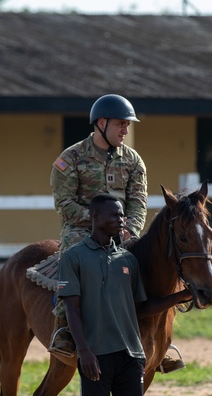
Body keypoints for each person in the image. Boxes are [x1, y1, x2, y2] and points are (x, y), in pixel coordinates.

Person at [39, 194, 193, 396]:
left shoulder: (129, 260)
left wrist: (180, 295)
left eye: (123, 215)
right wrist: (82, 350)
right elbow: (72, 309)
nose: (121, 220)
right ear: (94, 217)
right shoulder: (75, 257)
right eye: (114, 215)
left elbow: (142, 308)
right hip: (96, 354)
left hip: (132, 357)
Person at [48, 93, 185, 373]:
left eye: (128, 125)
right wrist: (99, 224)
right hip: (81, 230)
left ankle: (160, 341)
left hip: (123, 230)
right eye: (120, 124)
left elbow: (138, 203)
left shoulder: (134, 161)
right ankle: (64, 330)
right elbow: (65, 204)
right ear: (101, 123)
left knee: (145, 263)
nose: (125, 129)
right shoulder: (70, 158)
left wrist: (128, 230)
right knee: (71, 258)